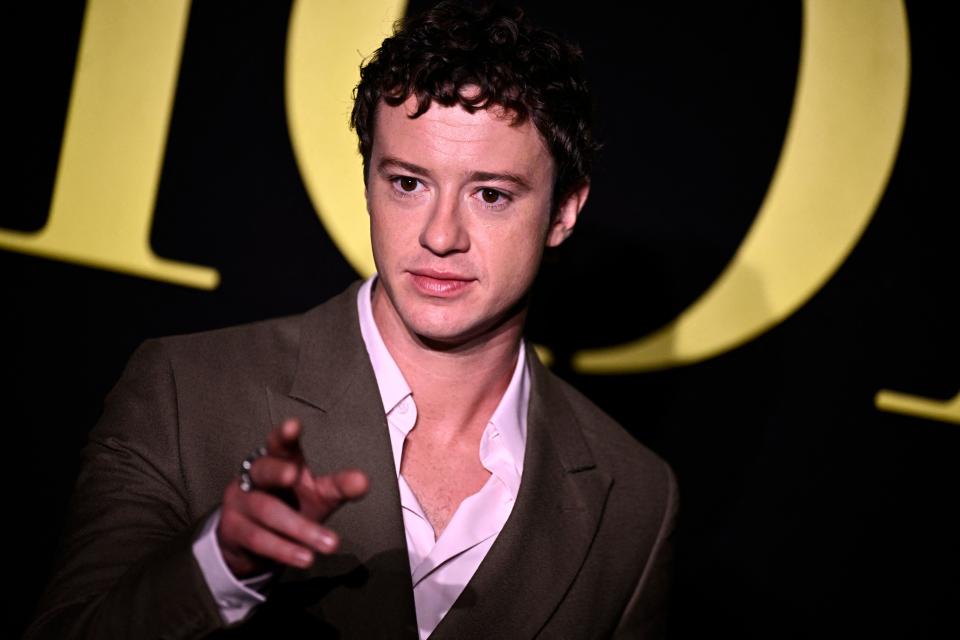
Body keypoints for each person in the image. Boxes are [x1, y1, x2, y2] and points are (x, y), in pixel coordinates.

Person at [26, 2, 677, 638]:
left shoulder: (637, 502)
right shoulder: (184, 391)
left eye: (489, 194)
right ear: (367, 181)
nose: (440, 235)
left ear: (564, 210)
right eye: (408, 183)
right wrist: (221, 564)